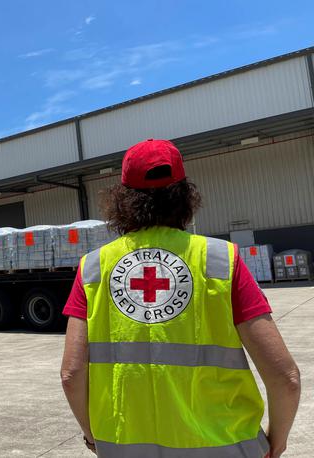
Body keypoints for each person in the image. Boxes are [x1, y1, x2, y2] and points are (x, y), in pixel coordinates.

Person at [60, 139, 300, 458]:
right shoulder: (219, 259)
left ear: (121, 200)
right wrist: (277, 439)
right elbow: (285, 377)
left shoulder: (94, 267)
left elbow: (71, 374)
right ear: (185, 195)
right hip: (224, 445)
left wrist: (93, 436)